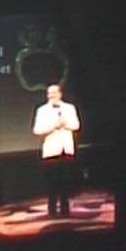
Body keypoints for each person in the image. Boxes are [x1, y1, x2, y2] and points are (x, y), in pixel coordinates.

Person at [32, 83, 81, 218]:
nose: (51, 96)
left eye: (54, 93)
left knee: (66, 180)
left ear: (60, 94)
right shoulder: (42, 110)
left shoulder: (69, 108)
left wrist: (65, 123)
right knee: (52, 182)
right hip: (51, 151)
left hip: (66, 150)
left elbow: (76, 125)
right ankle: (52, 210)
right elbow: (37, 130)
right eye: (49, 94)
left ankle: (65, 210)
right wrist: (54, 125)